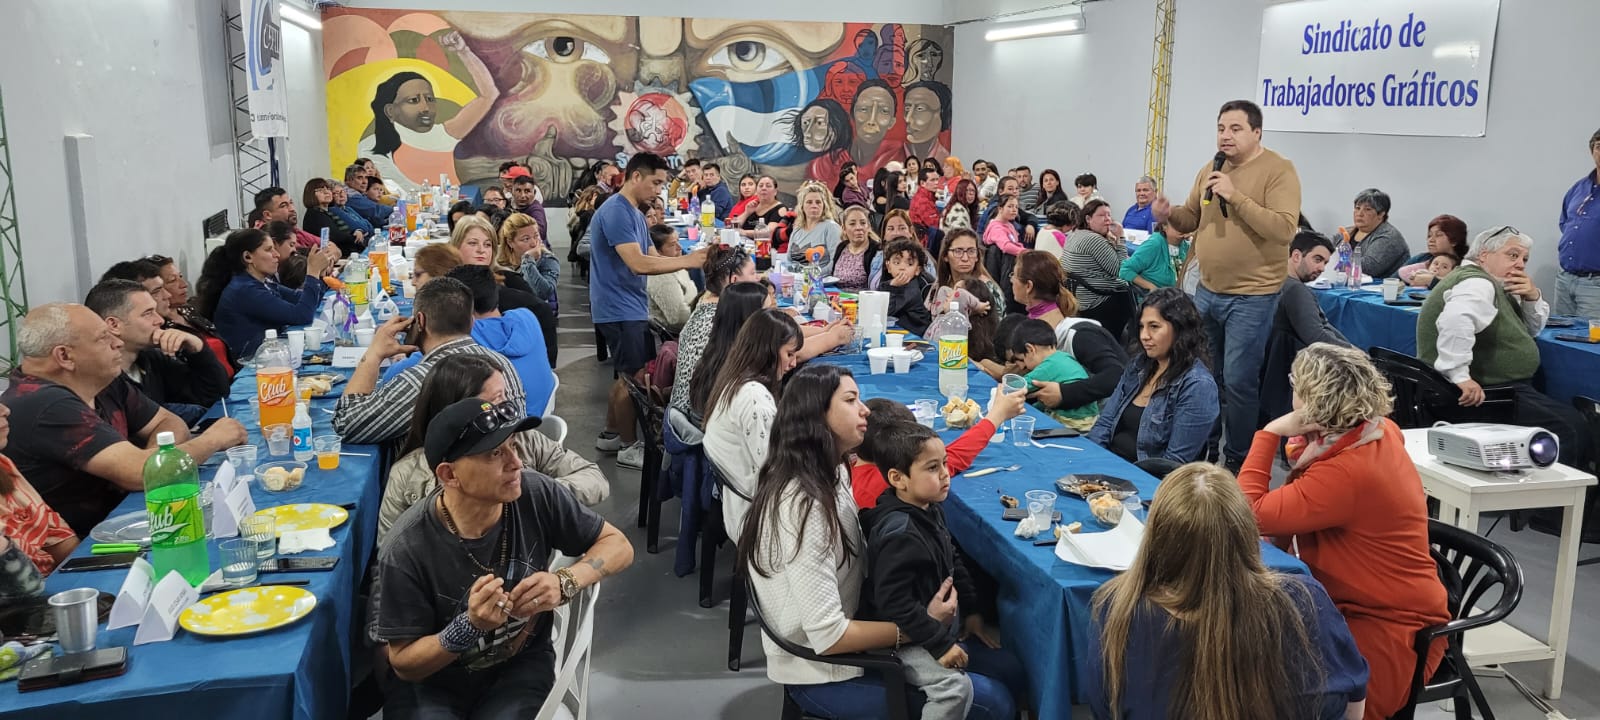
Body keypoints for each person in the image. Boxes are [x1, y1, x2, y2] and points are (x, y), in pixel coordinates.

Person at [739, 364, 1017, 719]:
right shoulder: (804, 508)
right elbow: (827, 636)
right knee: (994, 703)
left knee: (1010, 670)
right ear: (816, 416)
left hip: (867, 621)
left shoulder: (834, 468)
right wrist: (920, 627)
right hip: (825, 669)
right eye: (851, 400)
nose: (865, 409)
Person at [374, 398, 632, 718]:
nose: (516, 463)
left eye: (513, 446)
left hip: (518, 669)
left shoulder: (535, 493)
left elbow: (618, 545)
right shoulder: (407, 547)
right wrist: (468, 628)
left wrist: (565, 581)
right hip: (432, 683)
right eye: (495, 453)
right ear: (449, 475)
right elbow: (403, 665)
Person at [1244, 343, 1451, 719]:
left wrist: (1268, 432)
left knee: (1252, 684)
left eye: (1294, 383)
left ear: (1309, 400)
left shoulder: (1346, 472)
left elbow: (1248, 513)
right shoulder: (1380, 430)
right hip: (1353, 605)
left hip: (1385, 631)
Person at [1087, 462, 1370, 720]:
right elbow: (1354, 700)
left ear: (1155, 539)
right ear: (1248, 534)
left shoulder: (1117, 610)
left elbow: (1105, 707)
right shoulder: (1304, 602)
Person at [1, 304, 246, 535]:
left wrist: (157, 463)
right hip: (88, 548)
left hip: (131, 521)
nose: (118, 343)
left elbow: (168, 424)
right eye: (103, 339)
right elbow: (140, 472)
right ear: (64, 356)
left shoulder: (100, 378)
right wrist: (212, 440)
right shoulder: (44, 403)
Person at [1153, 99, 1302, 470]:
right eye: (1221, 128)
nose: (1225, 136)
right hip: (1207, 290)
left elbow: (1284, 229)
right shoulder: (1211, 167)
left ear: (1257, 132)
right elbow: (1190, 218)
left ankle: (1239, 459)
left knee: (1237, 381)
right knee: (1201, 375)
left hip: (1252, 295)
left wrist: (1236, 196)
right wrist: (1167, 213)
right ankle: (1205, 448)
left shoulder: (1278, 170)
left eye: (1235, 129)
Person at [859, 420, 1020, 720]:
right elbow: (892, 603)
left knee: (1011, 666)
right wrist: (940, 643)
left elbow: (951, 560)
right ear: (898, 478)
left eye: (944, 463)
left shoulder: (928, 509)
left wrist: (971, 611)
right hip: (903, 641)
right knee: (953, 690)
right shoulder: (901, 534)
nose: (946, 474)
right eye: (932, 468)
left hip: (934, 627)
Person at [379, 356, 607, 541]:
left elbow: (594, 479)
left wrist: (539, 496)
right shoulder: (406, 477)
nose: (509, 407)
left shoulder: (525, 441)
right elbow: (390, 558)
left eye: (506, 395)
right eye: (498, 399)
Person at [1418, 226, 1588, 465]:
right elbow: (1456, 321)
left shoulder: (1491, 282)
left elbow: (1528, 330)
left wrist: (1532, 297)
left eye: (1524, 259)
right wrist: (1459, 374)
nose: (1520, 264)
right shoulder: (1477, 283)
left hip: (1502, 386)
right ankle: (1554, 500)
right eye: (1512, 255)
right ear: (1484, 255)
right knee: (1571, 427)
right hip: (1489, 393)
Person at [589, 153, 708, 462]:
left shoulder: (636, 215)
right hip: (619, 307)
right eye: (655, 183)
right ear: (636, 177)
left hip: (630, 304)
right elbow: (639, 263)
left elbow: (653, 255)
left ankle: (611, 434)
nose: (659, 190)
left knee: (628, 376)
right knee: (633, 379)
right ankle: (629, 447)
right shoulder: (616, 212)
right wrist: (691, 261)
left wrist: (682, 261)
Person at [334, 277, 527, 446]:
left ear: (420, 321)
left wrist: (374, 355)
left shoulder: (420, 379)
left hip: (446, 484)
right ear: (472, 321)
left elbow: (346, 424)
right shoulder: (502, 363)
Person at [381, 266, 555, 418]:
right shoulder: (527, 317)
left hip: (502, 431)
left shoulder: (462, 340)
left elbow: (390, 379)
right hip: (535, 425)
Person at [1087, 288, 1220, 476]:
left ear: (1180, 328)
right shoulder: (1139, 365)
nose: (1144, 336)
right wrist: (1088, 461)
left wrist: (1115, 481)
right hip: (1108, 466)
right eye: (1141, 327)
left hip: (1146, 483)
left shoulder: (1198, 385)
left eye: (1154, 327)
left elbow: (1172, 466)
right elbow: (1105, 424)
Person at [702, 310, 804, 538]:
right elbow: (778, 470)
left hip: (743, 499)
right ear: (767, 351)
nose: (794, 363)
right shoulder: (755, 401)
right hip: (757, 516)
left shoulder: (735, 378)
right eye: (789, 354)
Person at [85, 279, 230, 425]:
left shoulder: (151, 358)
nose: (160, 320)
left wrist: (198, 351)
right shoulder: (99, 381)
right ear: (114, 325)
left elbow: (216, 397)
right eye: (148, 313)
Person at [851, 390, 1025, 510]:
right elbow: (959, 452)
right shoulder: (888, 479)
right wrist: (998, 415)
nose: (943, 473)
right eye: (933, 467)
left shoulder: (845, 470)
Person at [1008, 251, 1129, 415]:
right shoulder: (1032, 329)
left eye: (1014, 275)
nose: (1011, 280)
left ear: (1028, 286)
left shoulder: (1078, 334)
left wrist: (1064, 393)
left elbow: (1117, 375)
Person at [196, 228, 336, 358]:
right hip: (252, 362)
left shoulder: (262, 281)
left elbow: (300, 299)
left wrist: (320, 275)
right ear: (248, 257)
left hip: (270, 352)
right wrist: (312, 273)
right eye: (269, 250)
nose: (277, 255)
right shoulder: (244, 290)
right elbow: (302, 315)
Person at [360, 58, 497, 190]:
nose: (426, 107)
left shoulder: (442, 135)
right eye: (414, 100)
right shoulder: (370, 147)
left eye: (430, 99)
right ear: (390, 110)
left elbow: (489, 95)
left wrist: (463, 51)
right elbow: (397, 189)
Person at [1260, 231, 1349, 424]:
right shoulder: (1296, 291)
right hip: (1296, 374)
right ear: (1296, 255)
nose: (1321, 268)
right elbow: (1316, 335)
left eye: (1325, 263)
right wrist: (1355, 356)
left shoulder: (1277, 281)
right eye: (1317, 259)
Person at [450, 215, 556, 364]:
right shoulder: (448, 283)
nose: (481, 250)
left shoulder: (509, 280)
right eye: (473, 243)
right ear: (455, 246)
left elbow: (542, 311)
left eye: (487, 245)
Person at [668, 251, 763, 418]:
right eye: (753, 273)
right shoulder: (728, 315)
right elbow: (779, 344)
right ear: (734, 281)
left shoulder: (705, 302)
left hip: (683, 413)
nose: (758, 278)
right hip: (699, 421)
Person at [0, 402, 80, 576]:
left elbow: (58, 537)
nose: (5, 410)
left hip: (48, 584)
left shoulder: (3, 465)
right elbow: (18, 584)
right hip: (25, 597)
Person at [980, 318, 1099, 431]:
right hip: (1089, 418)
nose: (1021, 367)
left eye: (1021, 360)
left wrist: (998, 389)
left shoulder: (1049, 366)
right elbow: (1044, 402)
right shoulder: (1063, 357)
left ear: (1030, 349)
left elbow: (1021, 385)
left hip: (1073, 421)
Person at [1061, 199, 1134, 335]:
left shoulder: (1075, 234)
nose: (1108, 220)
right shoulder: (1094, 240)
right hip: (1098, 300)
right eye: (1102, 215)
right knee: (1132, 288)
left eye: (1109, 215)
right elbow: (1121, 270)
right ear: (1088, 219)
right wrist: (1121, 238)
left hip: (1078, 296)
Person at [1556, 128, 1600, 317]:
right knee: (1558, 337)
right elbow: (1565, 222)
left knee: (1590, 342)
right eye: (1599, 146)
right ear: (1592, 151)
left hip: (1595, 284)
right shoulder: (1579, 187)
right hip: (1565, 279)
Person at [929, 228, 1005, 318]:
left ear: (977, 256)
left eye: (971, 251)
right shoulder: (938, 286)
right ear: (945, 256)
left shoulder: (987, 287)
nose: (965, 258)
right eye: (958, 251)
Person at [1337, 188, 1409, 279]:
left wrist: (1336, 259)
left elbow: (1368, 268)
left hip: (1379, 289)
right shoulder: (1345, 232)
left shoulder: (1389, 236)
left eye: (1367, 209)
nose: (1360, 213)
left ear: (1381, 214)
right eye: (1357, 208)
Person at [498, 213, 559, 313]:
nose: (533, 243)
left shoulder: (548, 259)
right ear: (510, 242)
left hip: (535, 314)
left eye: (536, 236)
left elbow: (542, 293)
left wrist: (528, 261)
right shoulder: (497, 258)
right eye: (526, 239)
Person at [1118, 220, 1190, 297]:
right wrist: (1151, 287)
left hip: (1178, 297)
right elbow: (1125, 270)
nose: (1184, 233)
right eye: (1179, 227)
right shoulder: (1154, 244)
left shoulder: (1185, 245)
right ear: (1164, 226)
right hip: (1157, 300)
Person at [1396, 214, 1469, 288]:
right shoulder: (1422, 258)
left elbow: (1464, 288)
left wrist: (1431, 280)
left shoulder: (1465, 266)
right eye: (1429, 235)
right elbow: (1392, 280)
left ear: (1454, 241)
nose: (1431, 240)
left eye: (1438, 235)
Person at [646, 225, 696, 333]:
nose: (679, 247)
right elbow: (678, 318)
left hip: (692, 318)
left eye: (678, 241)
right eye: (672, 245)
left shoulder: (676, 264)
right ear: (657, 251)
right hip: (679, 332)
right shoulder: (661, 276)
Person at [301, 178, 366, 256]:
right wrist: (354, 236)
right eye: (321, 190)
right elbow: (336, 237)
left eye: (328, 188)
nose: (326, 192)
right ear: (311, 194)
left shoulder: (327, 212)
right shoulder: (315, 214)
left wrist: (355, 232)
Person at [881, 239, 933, 337]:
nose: (902, 267)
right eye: (897, 263)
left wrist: (893, 287)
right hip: (897, 332)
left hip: (916, 334)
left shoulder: (913, 288)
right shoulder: (888, 284)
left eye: (909, 264)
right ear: (888, 267)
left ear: (917, 270)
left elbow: (888, 311)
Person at [789, 182, 844, 265]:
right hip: (795, 276)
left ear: (824, 206)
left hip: (821, 277)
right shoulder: (797, 230)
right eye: (809, 202)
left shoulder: (831, 228)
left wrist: (812, 276)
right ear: (802, 207)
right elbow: (788, 261)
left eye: (818, 202)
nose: (814, 205)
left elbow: (836, 262)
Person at [831, 205, 881, 293]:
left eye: (863, 223)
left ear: (869, 227)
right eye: (852, 224)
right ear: (844, 229)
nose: (858, 227)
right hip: (837, 300)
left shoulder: (876, 250)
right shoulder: (841, 247)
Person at [255, 186, 323, 249]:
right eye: (283, 206)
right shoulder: (263, 239)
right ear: (267, 215)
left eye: (291, 203)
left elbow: (328, 244)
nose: (292, 209)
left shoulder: (291, 229)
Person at [735, 176, 788, 248]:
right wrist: (747, 213)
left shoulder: (781, 209)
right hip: (742, 246)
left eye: (768, 186)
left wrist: (745, 233)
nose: (764, 188)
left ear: (775, 191)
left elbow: (769, 232)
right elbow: (734, 226)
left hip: (765, 250)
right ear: (756, 191)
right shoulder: (753, 205)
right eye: (760, 186)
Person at [264, 220, 309, 291]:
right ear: (273, 244)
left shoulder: (277, 272)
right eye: (291, 245)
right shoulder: (265, 277)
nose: (294, 250)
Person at [909, 167, 943, 238]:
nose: (936, 183)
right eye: (932, 180)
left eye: (937, 179)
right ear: (922, 183)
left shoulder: (926, 196)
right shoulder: (923, 201)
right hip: (925, 242)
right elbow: (935, 226)